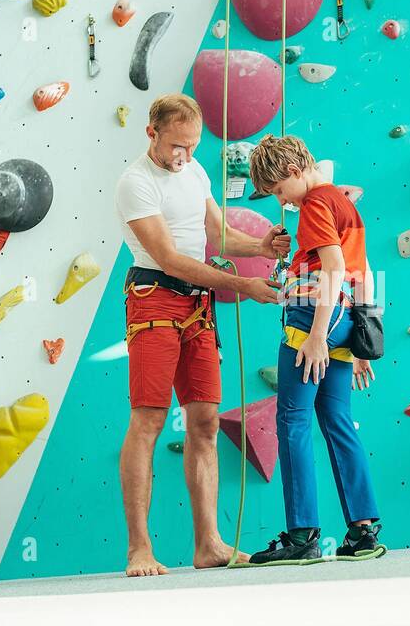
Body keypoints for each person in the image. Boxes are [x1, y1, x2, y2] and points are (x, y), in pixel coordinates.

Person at [113, 94, 290, 577]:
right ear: (151, 133)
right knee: (148, 421)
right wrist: (243, 285)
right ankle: (139, 550)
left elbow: (218, 235)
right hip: (155, 300)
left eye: (191, 146)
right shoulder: (135, 184)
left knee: (207, 421)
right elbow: (169, 258)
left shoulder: (193, 171)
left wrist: (261, 246)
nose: (183, 156)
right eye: (175, 145)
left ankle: (209, 544)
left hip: (197, 306)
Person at [242, 135, 384, 566]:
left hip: (312, 318)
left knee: (293, 420)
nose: (282, 202)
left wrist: (319, 334)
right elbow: (362, 272)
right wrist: (357, 339)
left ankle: (302, 534)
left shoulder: (315, 206)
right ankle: (363, 531)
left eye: (280, 192)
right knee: (338, 421)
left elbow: (335, 269)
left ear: (291, 173)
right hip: (345, 322)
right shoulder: (344, 204)